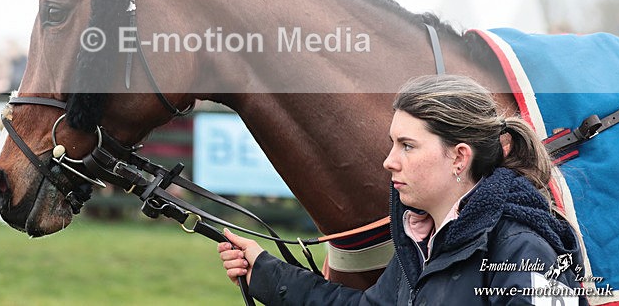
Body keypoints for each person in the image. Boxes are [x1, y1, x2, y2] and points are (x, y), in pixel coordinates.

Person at [218, 74, 587, 305]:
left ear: (459, 157)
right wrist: (263, 273)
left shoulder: (524, 248)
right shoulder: (421, 241)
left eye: (407, 146)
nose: (389, 161)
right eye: (393, 144)